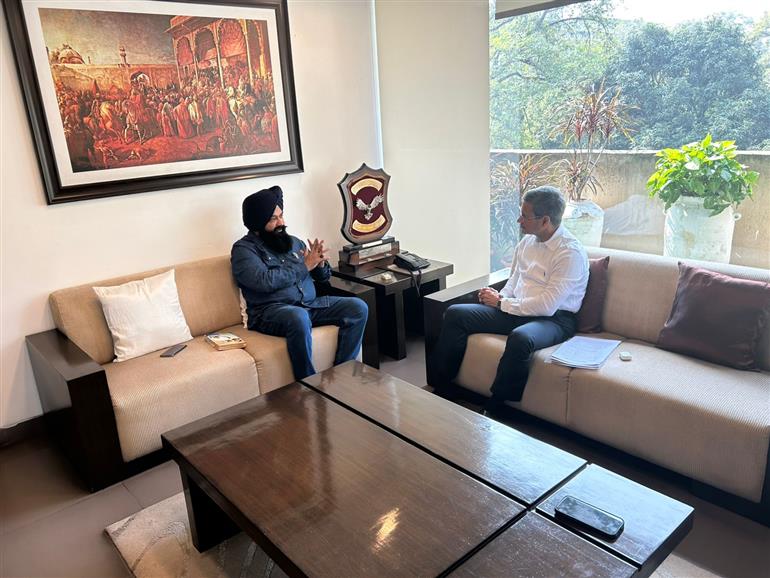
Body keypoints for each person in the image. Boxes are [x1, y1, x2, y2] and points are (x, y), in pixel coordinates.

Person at [430, 186, 589, 414]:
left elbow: (547, 305)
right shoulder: (526, 243)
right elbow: (514, 280)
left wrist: (501, 303)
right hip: (516, 309)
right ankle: (443, 387)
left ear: (545, 220)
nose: (519, 220)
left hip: (554, 320)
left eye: (525, 216)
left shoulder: (569, 253)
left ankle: (497, 406)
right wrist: (500, 296)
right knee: (456, 314)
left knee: (521, 338)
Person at [232, 186, 368, 380]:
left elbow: (322, 278)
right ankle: (308, 383)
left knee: (358, 307)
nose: (281, 222)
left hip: (309, 305)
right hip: (271, 312)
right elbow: (264, 282)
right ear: (257, 223)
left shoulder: (294, 242)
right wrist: (304, 266)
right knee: (298, 317)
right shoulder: (243, 250)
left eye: (281, 216)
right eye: (273, 219)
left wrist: (320, 264)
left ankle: (342, 376)